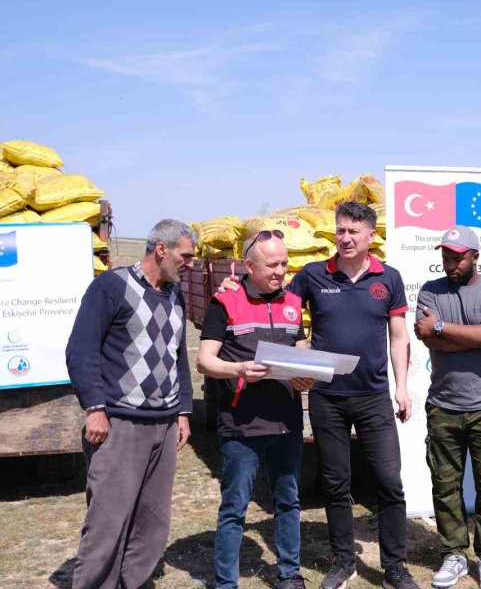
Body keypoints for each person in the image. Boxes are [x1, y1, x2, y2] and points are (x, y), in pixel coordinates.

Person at [219, 201, 418, 589]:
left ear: (371, 235)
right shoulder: (313, 274)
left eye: (353, 231)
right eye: (340, 230)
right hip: (327, 398)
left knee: (389, 481)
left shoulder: (389, 278)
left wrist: (401, 387)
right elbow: (274, 298)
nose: (345, 238)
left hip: (373, 396)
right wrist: (236, 285)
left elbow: (398, 336)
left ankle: (395, 566)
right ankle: (343, 561)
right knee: (335, 482)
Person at [65, 219, 197, 589]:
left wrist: (183, 411)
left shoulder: (175, 296)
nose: (191, 264)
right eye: (186, 255)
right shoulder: (112, 286)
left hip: (164, 425)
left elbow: (178, 358)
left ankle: (134, 583)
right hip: (119, 424)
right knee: (108, 521)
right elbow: (81, 350)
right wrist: (95, 407)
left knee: (153, 522)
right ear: (161, 249)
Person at [198, 230, 308, 589]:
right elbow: (204, 361)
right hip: (242, 425)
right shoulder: (225, 302)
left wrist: (307, 376)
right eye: (272, 265)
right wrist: (239, 370)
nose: (280, 271)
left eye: (284, 264)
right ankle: (226, 583)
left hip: (286, 422)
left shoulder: (293, 302)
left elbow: (301, 353)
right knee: (235, 508)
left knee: (288, 502)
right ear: (249, 265)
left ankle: (290, 574)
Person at [413, 226, 481, 589]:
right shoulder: (430, 290)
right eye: (446, 258)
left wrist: (442, 327)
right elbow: (428, 339)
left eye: (458, 258)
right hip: (444, 404)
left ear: (475, 256)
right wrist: (478, 338)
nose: (451, 265)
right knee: (445, 484)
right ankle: (453, 553)